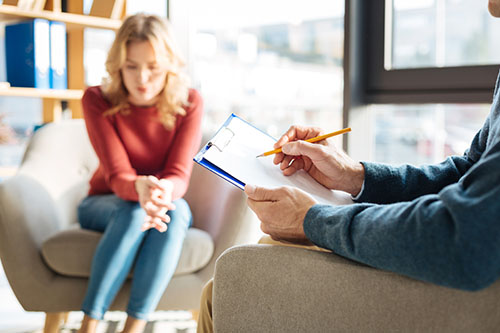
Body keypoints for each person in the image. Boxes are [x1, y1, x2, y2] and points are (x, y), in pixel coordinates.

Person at [196, 1, 500, 332]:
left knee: (232, 281)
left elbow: (461, 236)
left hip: (476, 293)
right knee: (240, 272)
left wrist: (310, 219)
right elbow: (469, 171)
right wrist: (356, 176)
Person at [77, 13, 203, 333]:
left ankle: (133, 328)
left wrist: (158, 192)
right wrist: (141, 189)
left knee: (177, 212)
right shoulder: (96, 99)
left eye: (153, 67)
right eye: (131, 66)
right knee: (135, 212)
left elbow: (179, 175)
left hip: (162, 203)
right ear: (118, 65)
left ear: (169, 66)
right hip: (104, 203)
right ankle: (89, 325)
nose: (142, 78)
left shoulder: (189, 102)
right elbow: (118, 176)